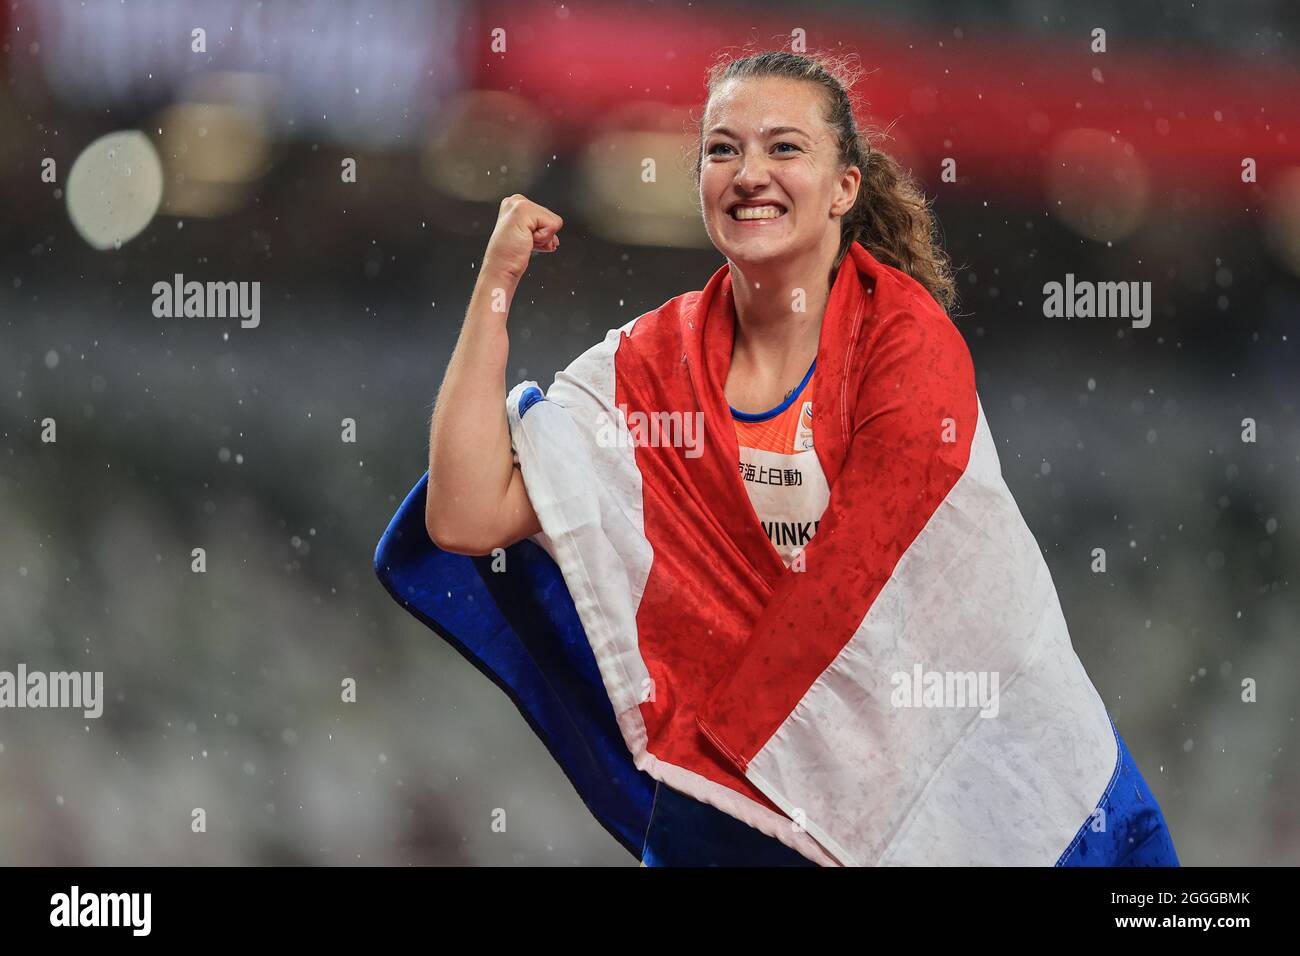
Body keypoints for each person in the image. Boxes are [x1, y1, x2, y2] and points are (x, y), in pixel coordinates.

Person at [413, 48, 1178, 867]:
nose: (749, 174)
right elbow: (463, 514)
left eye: (784, 148)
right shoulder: (651, 365)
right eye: (721, 149)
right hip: (750, 819)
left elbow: (885, 602)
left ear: (844, 186)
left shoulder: (904, 345)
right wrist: (496, 282)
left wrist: (771, 740)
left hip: (947, 799)